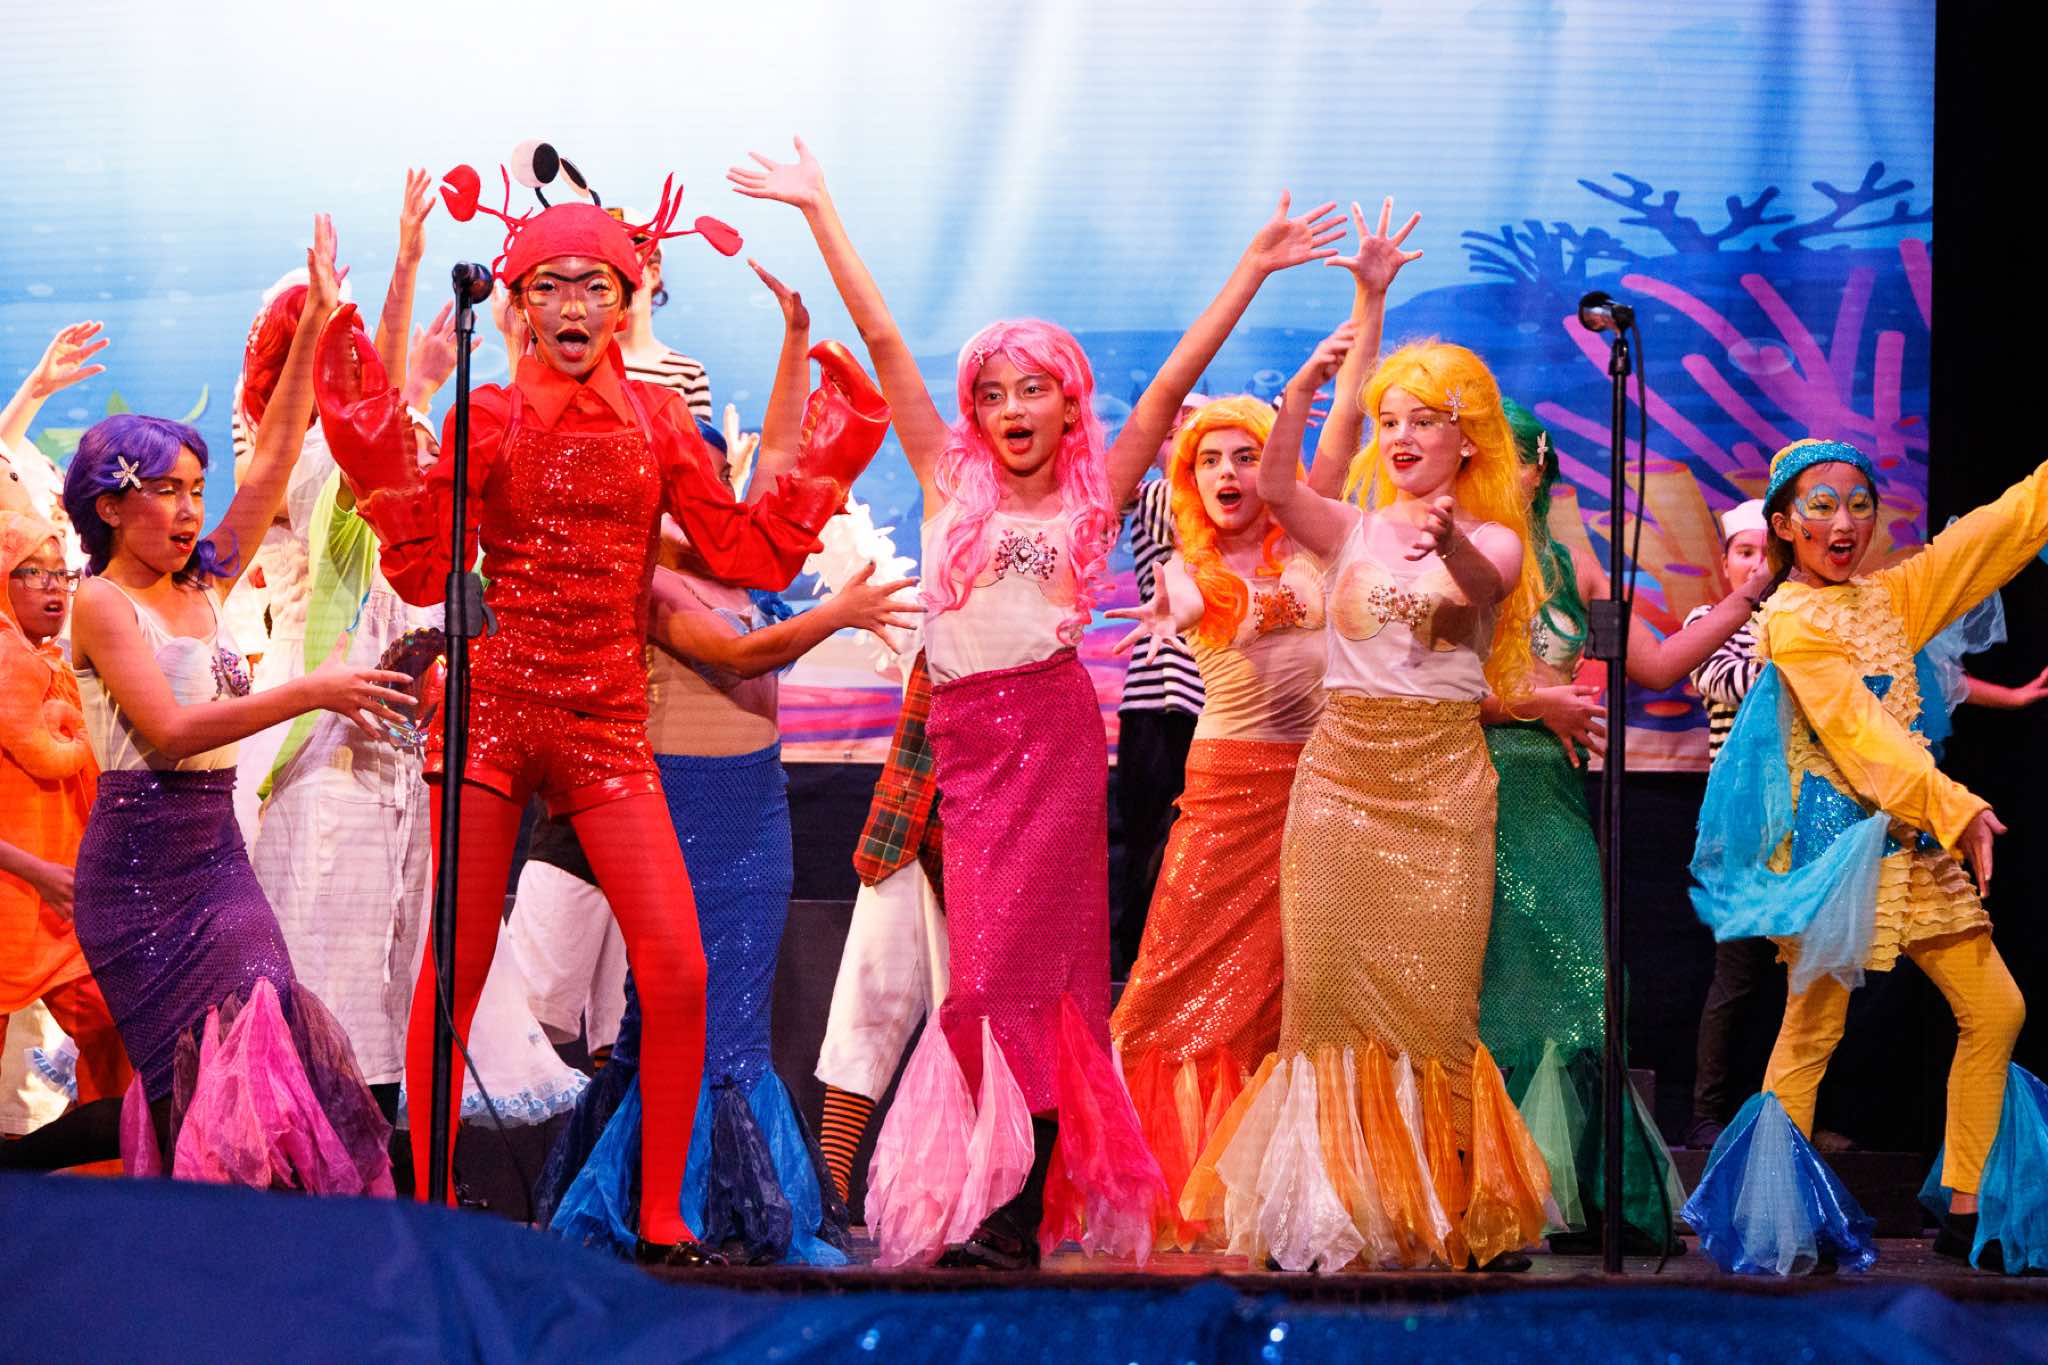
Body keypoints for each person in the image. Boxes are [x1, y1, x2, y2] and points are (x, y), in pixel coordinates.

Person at [730, 136, 1345, 1268]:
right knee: (982, 983)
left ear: (1068, 407)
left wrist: (1253, 269)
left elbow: (1171, 385)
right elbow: (880, 339)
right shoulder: (946, 479)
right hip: (964, 749)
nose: (1011, 407)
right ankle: (1008, 1188)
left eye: (1033, 389)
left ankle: (1012, 1210)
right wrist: (819, 208)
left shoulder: (1094, 497)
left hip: (1051, 741)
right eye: (992, 392)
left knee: (1036, 979)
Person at [315, 168, 889, 1263]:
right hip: (495, 710)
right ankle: (429, 1200)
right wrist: (374, 422)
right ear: (518, 303)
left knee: (677, 968)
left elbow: (743, 550)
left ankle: (664, 1215)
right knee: (457, 967)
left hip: (605, 718)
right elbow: (429, 563)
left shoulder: (660, 419)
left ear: (625, 302)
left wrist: (833, 441)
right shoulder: (485, 412)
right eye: (550, 286)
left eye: (595, 286)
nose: (573, 305)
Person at [545, 265, 916, 1264]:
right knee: (678, 1008)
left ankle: (724, 1202)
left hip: (759, 807)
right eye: (687, 489)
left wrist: (794, 340)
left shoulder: (747, 569)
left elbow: (784, 463)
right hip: (678, 808)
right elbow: (738, 656)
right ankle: (663, 1199)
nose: (707, 501)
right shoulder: (644, 582)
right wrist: (837, 615)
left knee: (736, 1010)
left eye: (715, 486)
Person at [1190, 330, 1554, 1273]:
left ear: (1465, 438)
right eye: (1389, 421)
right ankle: (1323, 1209)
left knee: (1436, 1013)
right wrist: (1304, 389)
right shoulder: (1349, 528)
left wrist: (1449, 543)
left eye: (1423, 421)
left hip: (1440, 787)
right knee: (1323, 1008)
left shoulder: (1495, 534)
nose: (1401, 437)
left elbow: (1479, 594)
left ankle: (1450, 1207)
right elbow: (1277, 489)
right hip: (1340, 783)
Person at [62, 217, 408, 1189]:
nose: (188, 510)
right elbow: (172, 732)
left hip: (217, 861)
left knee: (265, 1037)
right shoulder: (102, 603)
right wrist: (313, 688)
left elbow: (277, 451)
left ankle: (271, 1239)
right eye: (166, 492)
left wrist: (317, 327)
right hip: (136, 874)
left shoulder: (205, 579)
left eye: (195, 489)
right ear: (110, 506)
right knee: (187, 1092)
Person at [1685, 440, 2048, 1276]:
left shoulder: (1891, 598)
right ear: (1784, 524)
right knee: (1812, 1030)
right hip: (1841, 846)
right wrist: (1954, 805)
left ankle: (1967, 1200)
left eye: (1859, 503)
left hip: (1911, 840)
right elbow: (1860, 734)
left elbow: (1982, 540)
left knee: (1996, 1008)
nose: (1844, 522)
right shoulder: (1792, 620)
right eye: (1821, 506)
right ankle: (1771, 1212)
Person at [1432, 401, 1761, 1254]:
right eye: (1485, 456)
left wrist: (1746, 598)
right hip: (1469, 781)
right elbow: (1428, 686)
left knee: (1581, 988)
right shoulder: (1457, 559)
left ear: (1541, 467)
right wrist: (1533, 704)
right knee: (1485, 989)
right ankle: (1476, 1195)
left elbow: (1653, 662)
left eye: (1518, 456)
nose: (1504, 471)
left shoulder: (1574, 565)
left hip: (1552, 796)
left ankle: (1583, 1193)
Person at [1101, 394, 1325, 1249]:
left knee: (1283, 997)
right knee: (1171, 983)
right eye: (1208, 460)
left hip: (1314, 795)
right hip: (1225, 792)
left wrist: (1337, 357)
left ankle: (1275, 1191)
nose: (1227, 473)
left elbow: (1337, 437)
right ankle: (1177, 1184)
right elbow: (1190, 600)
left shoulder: (1313, 543)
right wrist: (1178, 609)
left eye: (1244, 456)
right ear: (1187, 479)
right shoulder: (1186, 565)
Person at [0, 509, 131, 1169]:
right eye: (32, 573)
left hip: (66, 902)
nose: (53, 588)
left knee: (117, 1040)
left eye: (62, 574)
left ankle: (112, 1189)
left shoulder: (61, 666)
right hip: (15, 894)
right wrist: (33, 870)